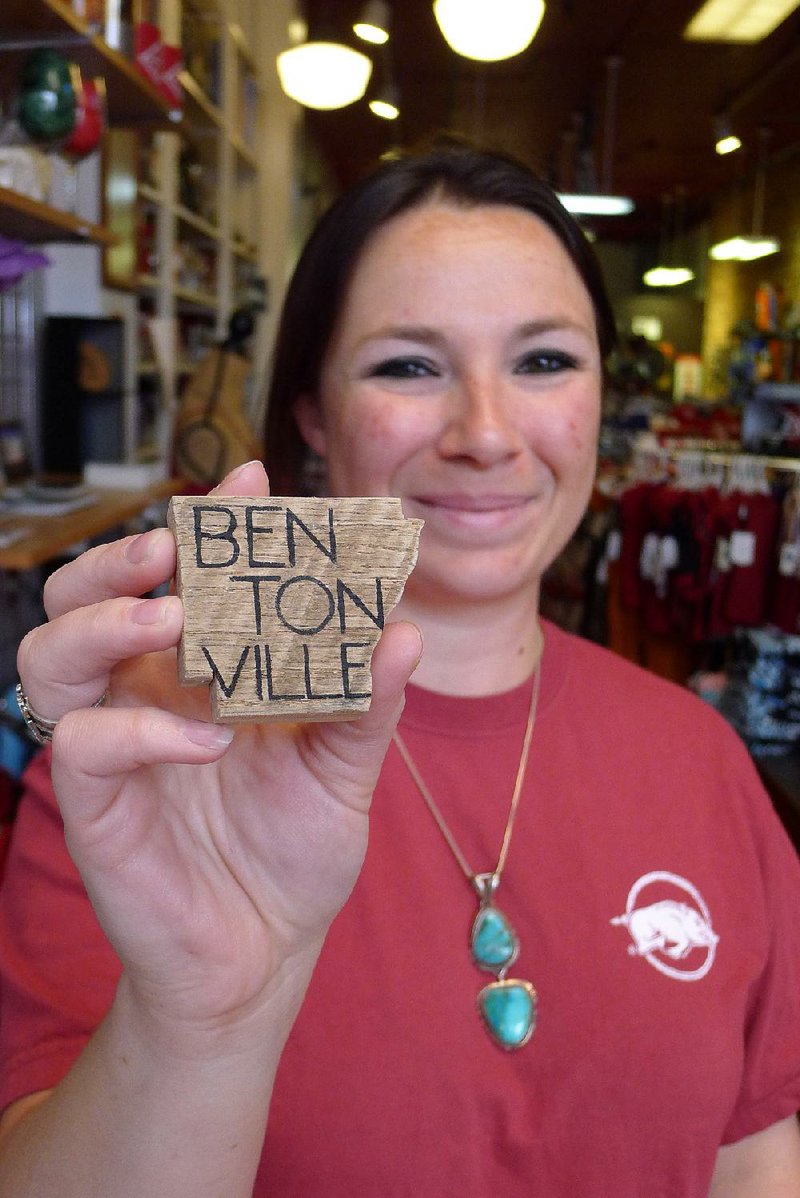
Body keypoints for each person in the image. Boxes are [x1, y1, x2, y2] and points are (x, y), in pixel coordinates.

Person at [1, 143, 800, 1198]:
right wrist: (199, 1021)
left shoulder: (700, 757)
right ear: (314, 417)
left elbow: (750, 1156)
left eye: (544, 360)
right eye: (407, 365)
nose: (482, 432)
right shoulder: (156, 762)